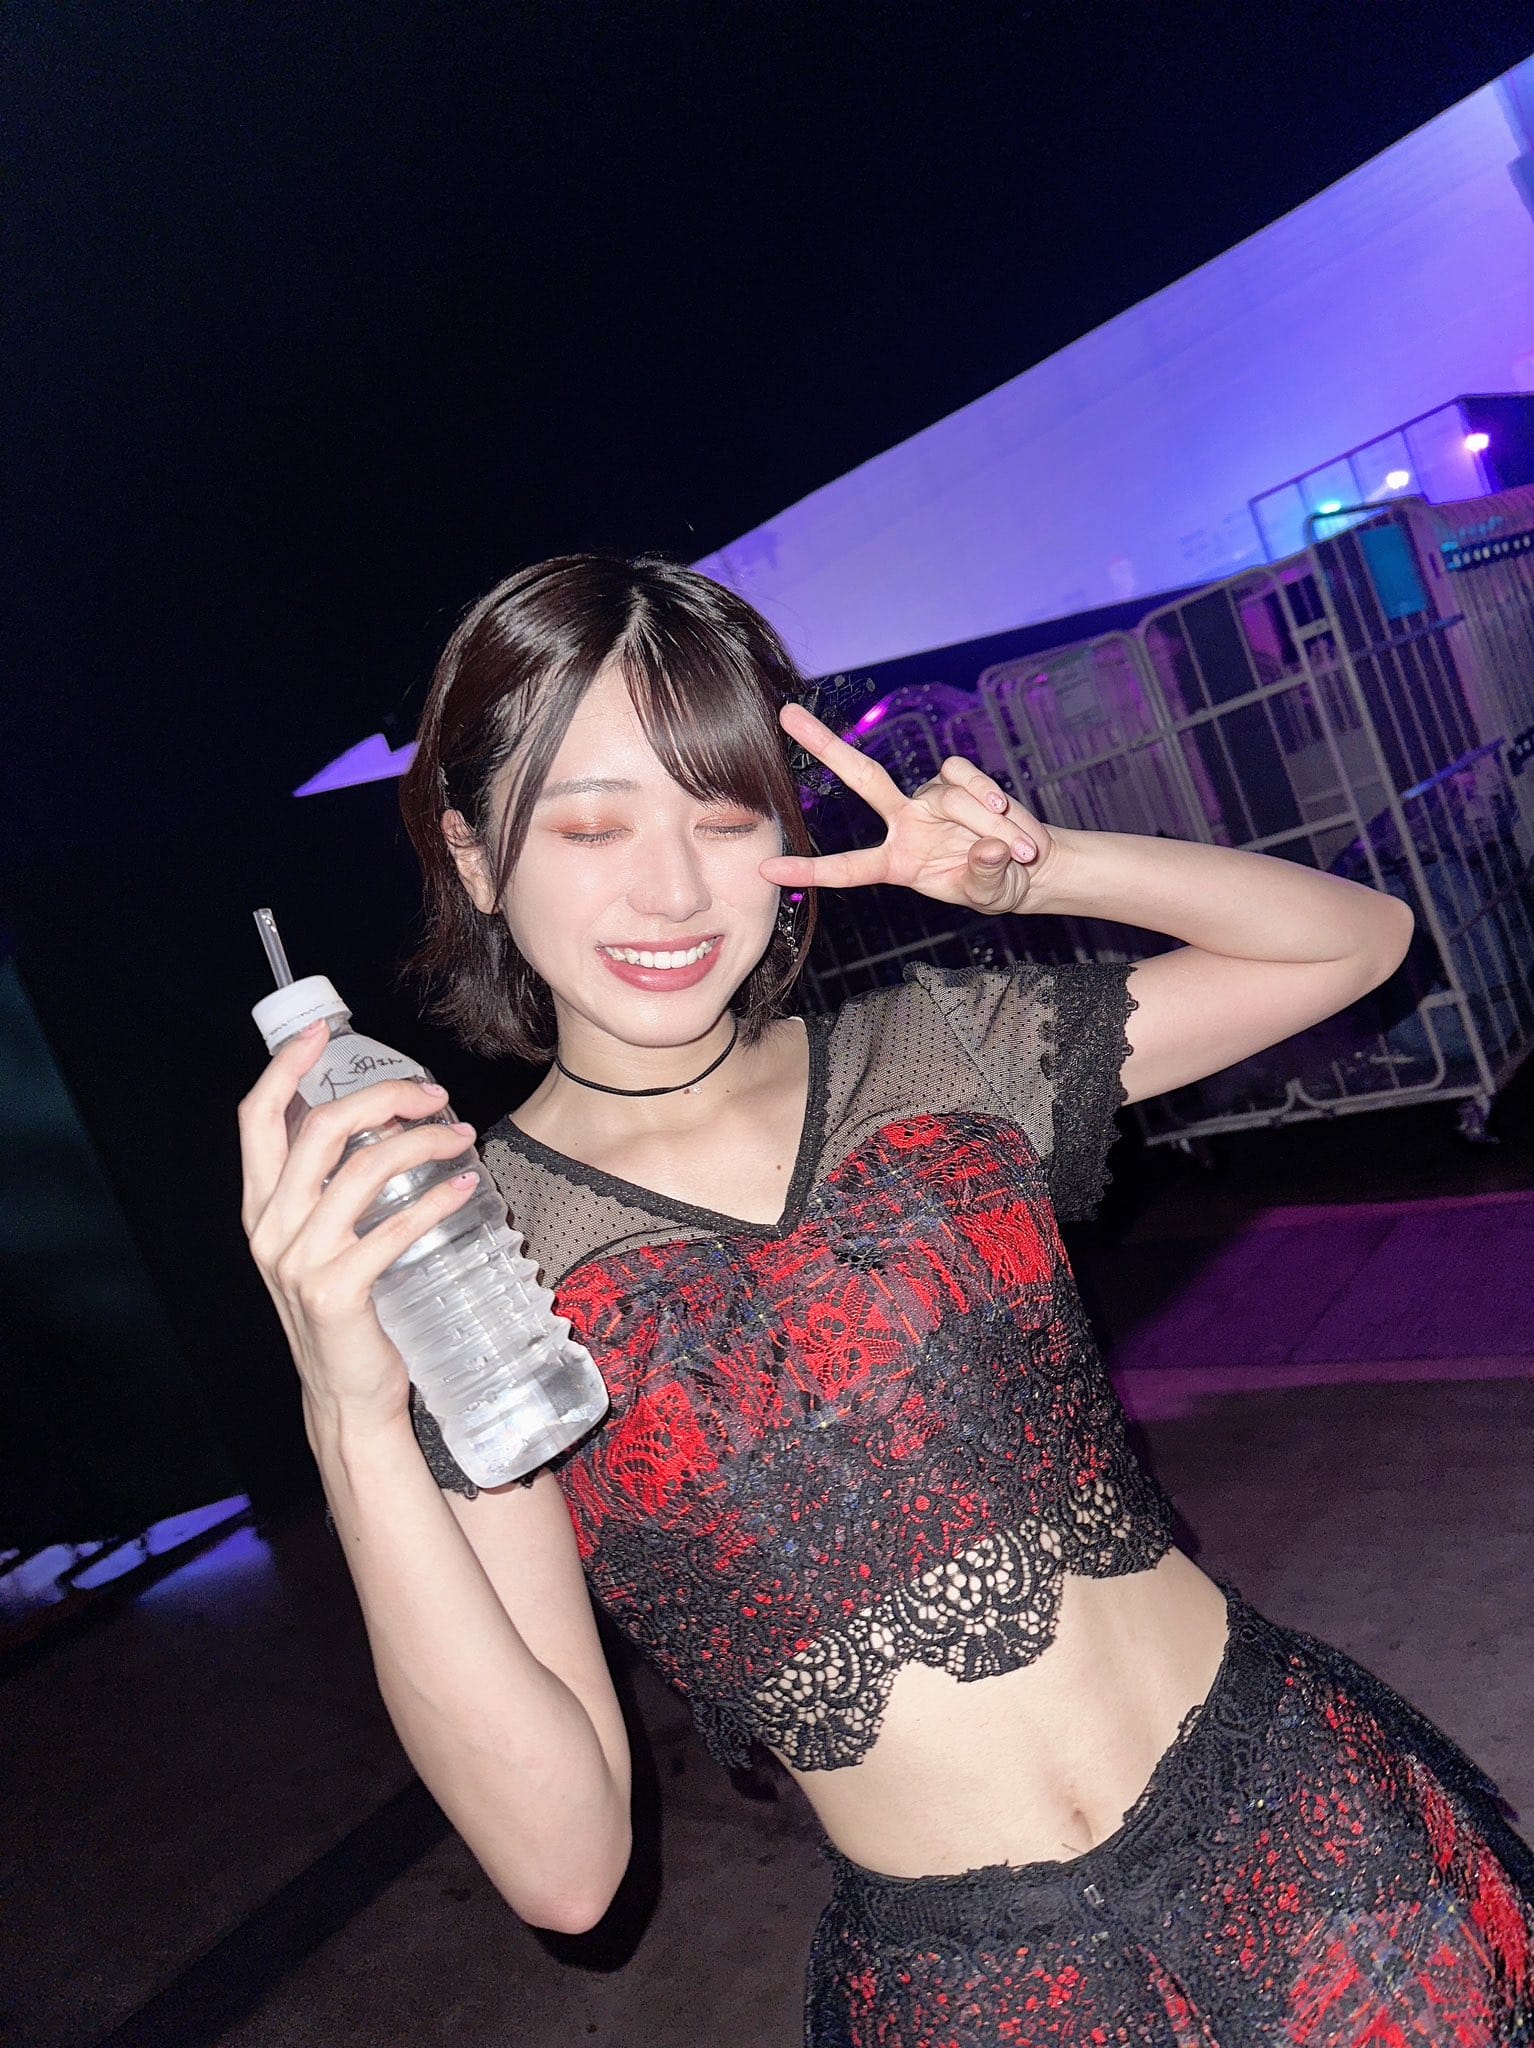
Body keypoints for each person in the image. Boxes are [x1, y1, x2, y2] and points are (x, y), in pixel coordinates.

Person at [239, 554, 1534, 2044]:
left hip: (1316, 1846)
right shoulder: (468, 1258)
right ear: (472, 854)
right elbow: (567, 1871)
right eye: (593, 827)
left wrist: (1038, 872)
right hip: (983, 1998)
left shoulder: (935, 1053)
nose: (671, 891)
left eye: (725, 820)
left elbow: (1356, 941)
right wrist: (348, 1411)